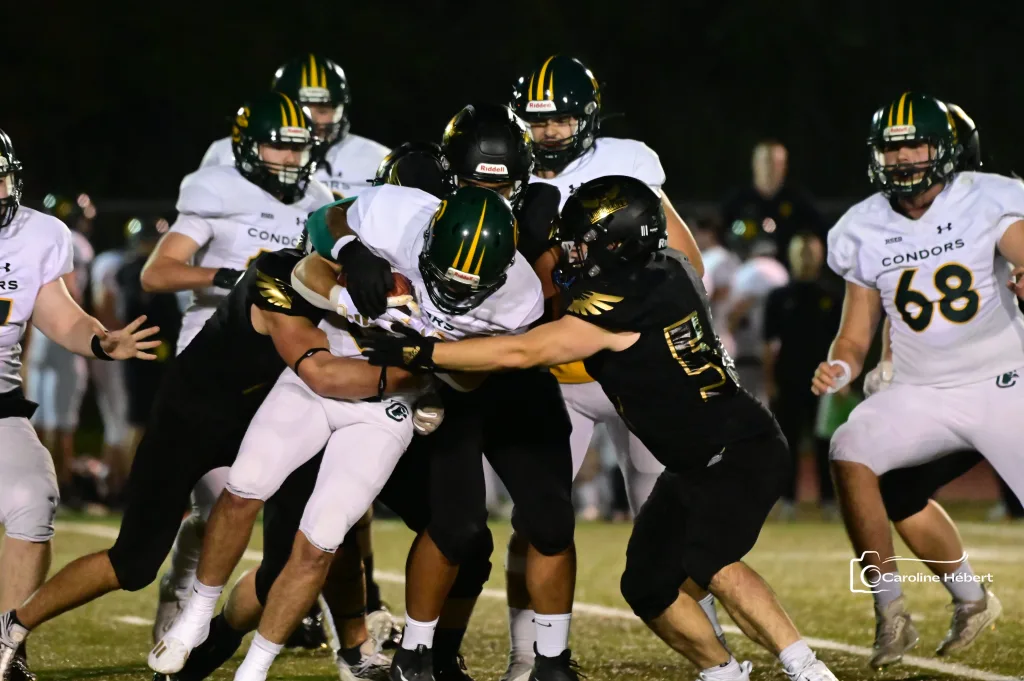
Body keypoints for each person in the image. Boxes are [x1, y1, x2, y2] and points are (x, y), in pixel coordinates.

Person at [361, 175, 839, 681]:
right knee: (648, 587)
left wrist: (424, 351)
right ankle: (723, 674)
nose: (572, 251)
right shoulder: (668, 268)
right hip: (691, 463)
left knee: (709, 559)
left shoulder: (619, 302)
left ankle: (807, 670)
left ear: (617, 245)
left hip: (736, 450)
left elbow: (524, 351)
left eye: (582, 242)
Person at [507, 56, 718, 681]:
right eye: (536, 121)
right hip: (554, 368)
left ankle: (712, 646)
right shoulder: (505, 173)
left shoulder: (629, 160)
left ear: (588, 117)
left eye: (560, 119)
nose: (547, 133)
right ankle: (531, 659)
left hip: (635, 366)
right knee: (538, 518)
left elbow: (690, 262)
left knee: (673, 516)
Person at [812, 92, 1023, 669]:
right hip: (921, 390)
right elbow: (854, 335)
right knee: (850, 448)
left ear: (947, 150)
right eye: (892, 148)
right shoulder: (861, 225)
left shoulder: (989, 198)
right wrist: (843, 366)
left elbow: (1021, 252)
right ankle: (892, 612)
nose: (903, 160)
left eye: (916, 146)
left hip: (1005, 381)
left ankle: (969, 599)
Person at [141, 91, 334, 641]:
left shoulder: (319, 200)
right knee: (217, 503)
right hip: (211, 366)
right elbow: (158, 274)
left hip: (281, 370)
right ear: (248, 148)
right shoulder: (218, 192)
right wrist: (229, 278)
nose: (289, 159)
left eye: (298, 148)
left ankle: (290, 606)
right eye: (277, 146)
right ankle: (181, 602)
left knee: (283, 499)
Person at [0, 127, 159, 681]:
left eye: (1, 177)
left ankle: (5, 644)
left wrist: (99, 339)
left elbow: (59, 311)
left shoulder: (35, 234)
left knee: (33, 495)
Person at [201, 54, 389, 200]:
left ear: (340, 111)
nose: (311, 121)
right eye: (300, 109)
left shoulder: (379, 160)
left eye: (322, 109)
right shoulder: (227, 152)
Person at [763, 232, 840, 519]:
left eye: (811, 252)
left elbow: (841, 343)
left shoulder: (831, 296)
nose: (806, 259)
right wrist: (770, 381)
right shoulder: (779, 297)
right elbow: (769, 345)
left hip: (824, 382)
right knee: (788, 444)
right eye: (801, 253)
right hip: (789, 380)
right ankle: (788, 500)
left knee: (827, 443)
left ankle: (830, 500)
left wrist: (841, 380)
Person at [23, 195, 95, 505]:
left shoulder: (34, 234)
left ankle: (35, 484)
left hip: (40, 334)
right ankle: (63, 486)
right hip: (63, 331)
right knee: (64, 423)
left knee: (38, 419)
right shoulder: (74, 241)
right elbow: (71, 289)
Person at [115, 218, 182, 465]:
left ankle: (136, 488)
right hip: (145, 354)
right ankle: (130, 489)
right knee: (141, 422)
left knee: (150, 423)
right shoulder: (137, 272)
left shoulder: (129, 269)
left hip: (151, 353)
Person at [720, 140, 826, 266]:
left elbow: (819, 234)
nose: (770, 168)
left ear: (785, 166)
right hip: (743, 272)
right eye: (766, 162)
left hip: (787, 274)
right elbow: (720, 237)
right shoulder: (738, 200)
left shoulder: (798, 201)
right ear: (754, 164)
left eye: (777, 163)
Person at [88, 231, 132, 501]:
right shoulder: (115, 264)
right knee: (121, 419)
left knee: (114, 420)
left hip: (103, 348)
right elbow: (104, 307)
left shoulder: (107, 261)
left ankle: (110, 483)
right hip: (112, 347)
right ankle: (116, 484)